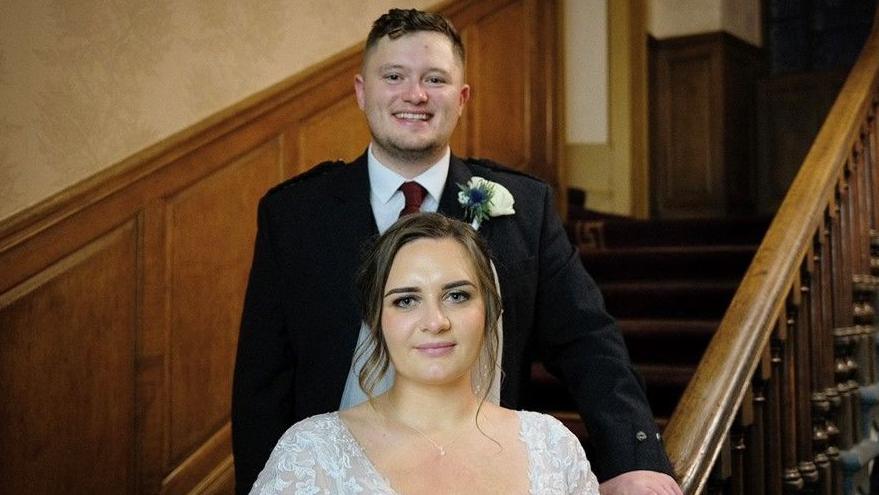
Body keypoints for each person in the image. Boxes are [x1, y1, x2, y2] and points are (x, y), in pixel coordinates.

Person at [232, 8, 681, 495]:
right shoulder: (294, 213)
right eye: (395, 76)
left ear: (462, 98)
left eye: (436, 79)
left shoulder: (524, 209)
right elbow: (263, 381)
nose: (416, 95)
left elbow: (587, 341)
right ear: (362, 91)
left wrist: (634, 459)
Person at [249, 213, 600, 494]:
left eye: (457, 296)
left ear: (490, 310)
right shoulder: (312, 453)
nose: (435, 321)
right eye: (406, 300)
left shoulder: (552, 447)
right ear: (376, 320)